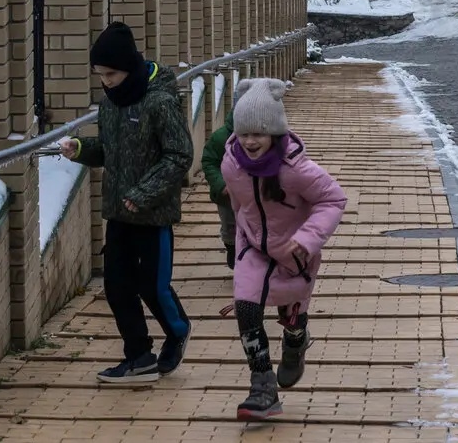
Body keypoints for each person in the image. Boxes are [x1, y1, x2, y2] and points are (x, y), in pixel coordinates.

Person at [58, 21, 194, 384]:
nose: (106, 81)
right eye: (100, 75)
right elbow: (110, 151)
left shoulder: (160, 102)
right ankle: (139, 356)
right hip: (119, 213)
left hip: (152, 215)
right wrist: (82, 149)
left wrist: (143, 193)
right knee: (117, 286)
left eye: (111, 74)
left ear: (129, 67)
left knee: (153, 285)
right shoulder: (109, 106)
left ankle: (178, 330)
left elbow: (179, 156)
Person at [221, 77, 348, 420]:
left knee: (290, 315)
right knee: (246, 307)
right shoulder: (231, 164)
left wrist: (307, 239)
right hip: (253, 248)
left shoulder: (296, 169)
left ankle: (296, 339)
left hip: (295, 253)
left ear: (274, 134)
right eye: (244, 133)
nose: (249, 141)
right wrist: (237, 239)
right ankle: (262, 386)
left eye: (258, 134)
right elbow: (239, 205)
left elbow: (334, 199)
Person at [201, 107, 237, 269]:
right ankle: (231, 246)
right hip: (226, 195)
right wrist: (220, 184)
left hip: (256, 194)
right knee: (230, 225)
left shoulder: (267, 135)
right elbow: (209, 162)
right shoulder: (221, 137)